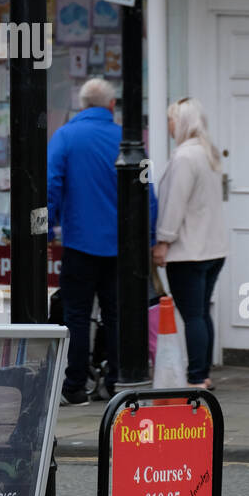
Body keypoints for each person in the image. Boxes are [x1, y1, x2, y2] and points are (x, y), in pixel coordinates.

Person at [47, 77, 158, 404]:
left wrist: (49, 228)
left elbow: (51, 184)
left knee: (76, 314)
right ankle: (117, 381)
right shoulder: (129, 140)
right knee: (117, 314)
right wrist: (148, 239)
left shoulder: (66, 137)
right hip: (122, 248)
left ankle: (75, 386)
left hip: (80, 243)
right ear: (111, 105)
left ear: (83, 105)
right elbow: (147, 194)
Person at [151, 97, 228, 390]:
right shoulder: (208, 154)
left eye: (171, 119)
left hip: (188, 251)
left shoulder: (184, 157)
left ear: (182, 122)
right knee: (201, 313)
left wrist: (163, 241)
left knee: (193, 315)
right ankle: (203, 372)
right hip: (213, 248)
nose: (169, 125)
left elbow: (174, 204)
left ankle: (197, 376)